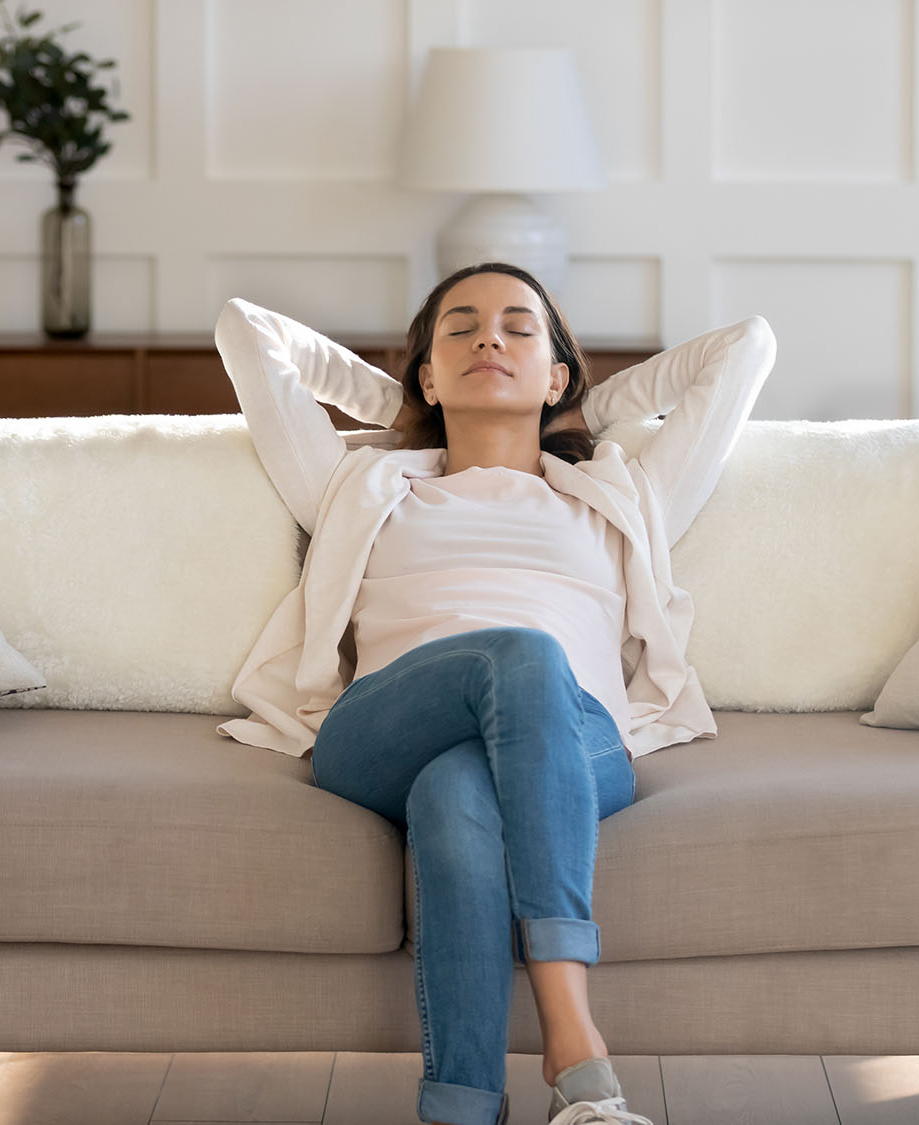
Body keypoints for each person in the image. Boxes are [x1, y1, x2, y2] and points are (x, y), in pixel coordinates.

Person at [214, 262, 776, 1125]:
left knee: (459, 790)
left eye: (520, 327)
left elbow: (745, 347)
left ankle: (463, 1110)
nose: (490, 338)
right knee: (518, 654)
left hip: (575, 740)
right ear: (428, 374)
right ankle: (575, 1045)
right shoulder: (365, 490)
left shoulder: (620, 497)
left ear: (557, 373)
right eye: (462, 328)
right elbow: (247, 329)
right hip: (385, 725)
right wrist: (408, 403)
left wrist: (578, 408)